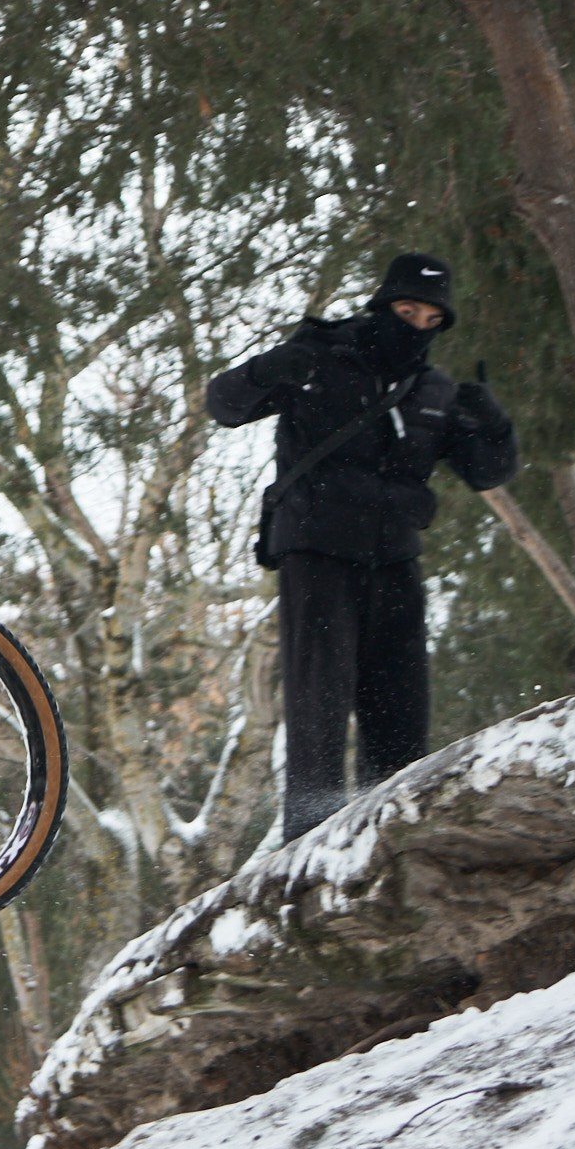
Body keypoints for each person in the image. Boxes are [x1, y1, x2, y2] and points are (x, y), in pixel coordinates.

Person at [205, 253, 519, 842]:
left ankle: (389, 841)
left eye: (431, 319)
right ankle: (308, 844)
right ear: (382, 305)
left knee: (399, 714)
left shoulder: (433, 391)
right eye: (406, 311)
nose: (417, 326)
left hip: (395, 560)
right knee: (318, 709)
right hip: (316, 553)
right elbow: (223, 404)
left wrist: (492, 423)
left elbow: (488, 472)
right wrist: (273, 366)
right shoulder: (322, 356)